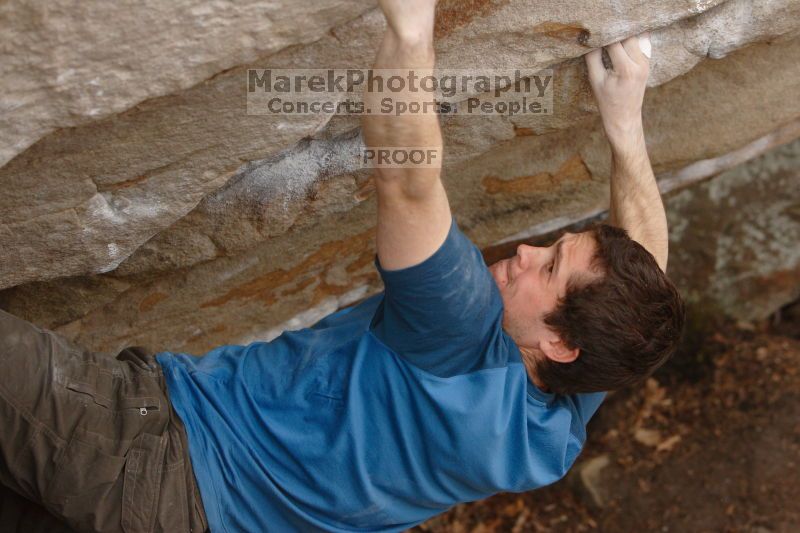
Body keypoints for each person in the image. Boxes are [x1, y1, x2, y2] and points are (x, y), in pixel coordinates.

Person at [0, 1, 684, 531]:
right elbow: (646, 273)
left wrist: (413, 29)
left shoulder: (460, 331)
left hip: (159, 457)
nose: (527, 252)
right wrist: (626, 125)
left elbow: (408, 179)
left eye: (550, 265)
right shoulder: (554, 429)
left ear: (559, 342)